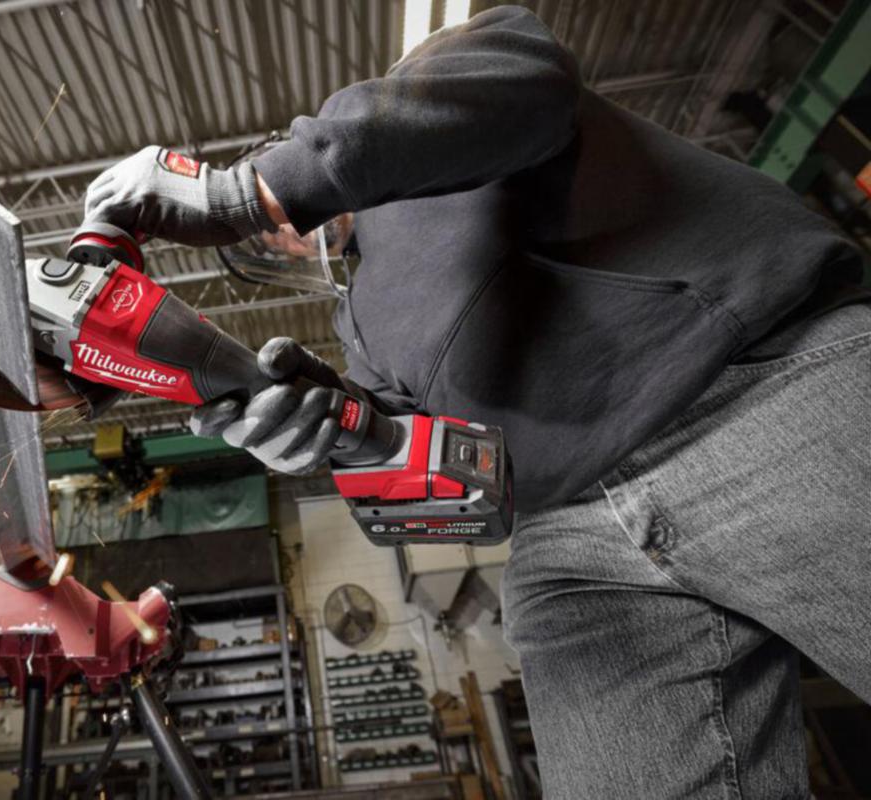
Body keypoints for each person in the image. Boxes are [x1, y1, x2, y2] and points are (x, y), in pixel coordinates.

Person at [82, 6, 871, 797]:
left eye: (273, 217)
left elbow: (531, 79)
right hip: (571, 541)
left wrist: (242, 193)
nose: (282, 235)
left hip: (753, 392)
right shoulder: (360, 329)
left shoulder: (432, 98)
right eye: (269, 240)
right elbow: (457, 494)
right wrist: (331, 434)